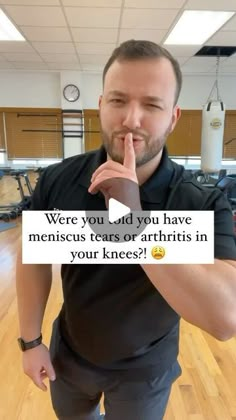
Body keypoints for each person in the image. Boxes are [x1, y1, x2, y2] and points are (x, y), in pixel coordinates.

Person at [16, 40, 236, 420]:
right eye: (118, 100)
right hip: (69, 355)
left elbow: (225, 319)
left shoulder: (200, 203)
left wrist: (135, 227)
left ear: (173, 117)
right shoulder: (59, 180)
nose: (131, 119)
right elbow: (33, 258)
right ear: (101, 106)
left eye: (151, 105)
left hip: (146, 370)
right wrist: (30, 341)